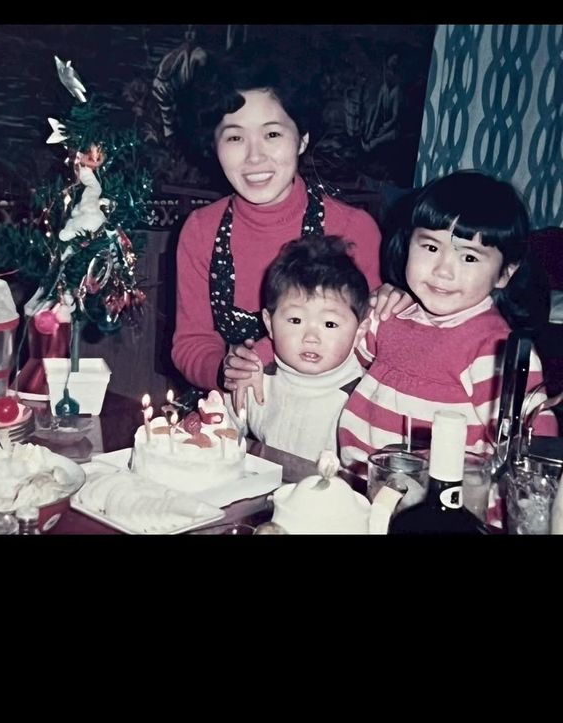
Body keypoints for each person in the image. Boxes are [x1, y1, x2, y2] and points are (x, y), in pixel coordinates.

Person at [171, 43, 411, 406]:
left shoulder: (354, 228)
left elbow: (378, 344)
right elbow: (190, 342)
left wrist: (396, 305)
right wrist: (223, 370)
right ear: (214, 146)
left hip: (331, 415)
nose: (254, 157)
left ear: (302, 139)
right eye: (235, 137)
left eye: (272, 134)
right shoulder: (200, 230)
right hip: (230, 410)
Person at [338, 170, 559, 478]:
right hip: (357, 483)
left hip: (443, 499)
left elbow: (533, 443)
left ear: (505, 273)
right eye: (431, 248)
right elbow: (336, 357)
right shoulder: (390, 316)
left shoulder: (494, 349)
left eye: (469, 258)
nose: (443, 271)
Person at [231, 235, 370, 462]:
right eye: (295, 320)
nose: (311, 337)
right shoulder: (256, 379)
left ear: (360, 332)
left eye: (330, 324)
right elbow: (221, 428)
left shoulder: (364, 397)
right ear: (269, 324)